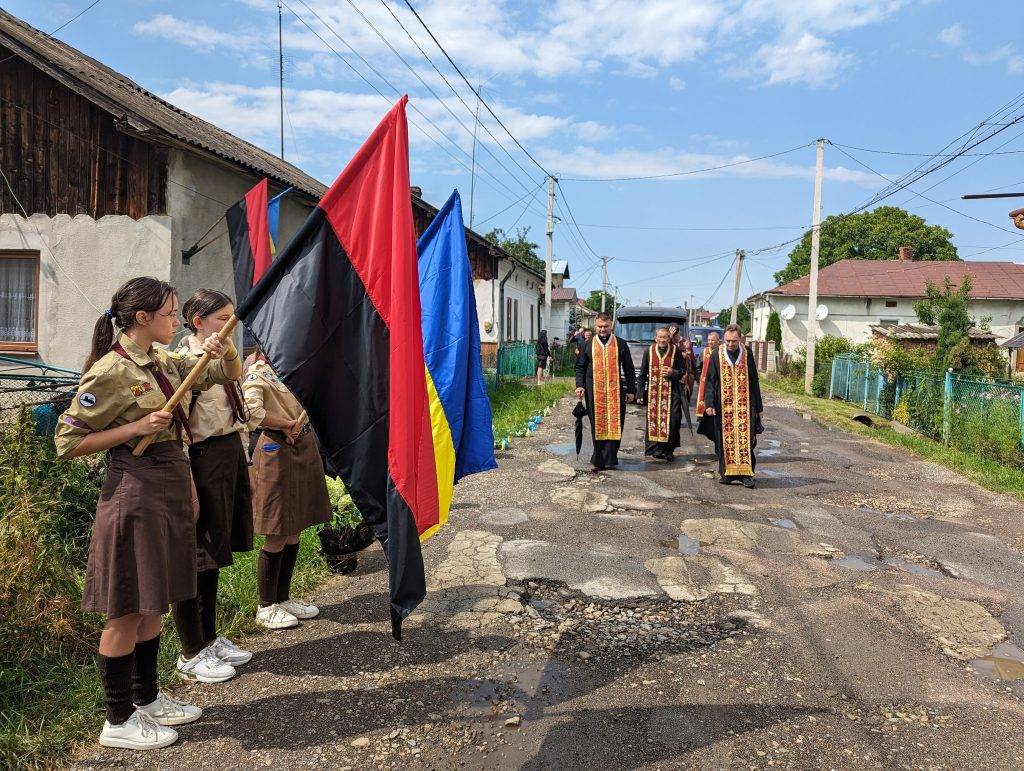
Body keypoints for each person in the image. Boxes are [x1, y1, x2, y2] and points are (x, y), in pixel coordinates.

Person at [55, 277, 242, 750]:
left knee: (156, 598)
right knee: (128, 606)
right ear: (142, 318)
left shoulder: (161, 360)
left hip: (169, 483)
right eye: (168, 314)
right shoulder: (111, 371)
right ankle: (117, 719)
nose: (176, 322)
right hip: (134, 491)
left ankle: (147, 700)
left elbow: (223, 374)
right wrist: (136, 425)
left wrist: (222, 347)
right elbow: (68, 441)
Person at [170, 290, 254, 685]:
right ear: (198, 320)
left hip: (227, 452)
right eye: (222, 318)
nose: (229, 324)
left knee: (215, 553)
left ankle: (208, 636)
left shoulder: (222, 357)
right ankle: (190, 649)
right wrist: (187, 478)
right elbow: (178, 428)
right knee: (196, 555)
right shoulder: (184, 364)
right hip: (200, 459)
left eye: (231, 316)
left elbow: (235, 389)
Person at [243, 350, 331, 630]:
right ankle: (266, 605)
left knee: (295, 525)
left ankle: (283, 597)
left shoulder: (292, 366)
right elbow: (250, 411)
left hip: (301, 445)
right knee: (278, 528)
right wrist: (284, 423)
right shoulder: (259, 372)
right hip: (275, 449)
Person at [574, 312, 636, 471]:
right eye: (600, 326)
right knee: (597, 424)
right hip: (594, 390)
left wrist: (631, 390)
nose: (602, 329)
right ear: (596, 326)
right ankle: (598, 458)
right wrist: (579, 385)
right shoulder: (588, 344)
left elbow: (629, 368)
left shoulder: (621, 344)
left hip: (616, 391)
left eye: (606, 326)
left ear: (611, 325)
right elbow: (580, 367)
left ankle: (611, 457)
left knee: (616, 423)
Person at [704, 324, 763, 488]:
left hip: (746, 405)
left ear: (740, 339)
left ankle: (746, 474)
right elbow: (710, 380)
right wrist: (709, 403)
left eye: (734, 341)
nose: (730, 344)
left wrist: (759, 408)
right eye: (728, 341)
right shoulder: (717, 354)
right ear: (724, 339)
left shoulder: (747, 353)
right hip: (724, 406)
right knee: (725, 439)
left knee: (747, 439)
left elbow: (754, 380)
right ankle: (728, 473)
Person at [636, 327, 686, 461]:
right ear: (656, 338)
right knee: (654, 420)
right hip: (653, 393)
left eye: (665, 337)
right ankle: (656, 449)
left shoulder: (675, 351)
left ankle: (669, 450)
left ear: (669, 339)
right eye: (660, 337)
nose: (662, 340)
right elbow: (642, 374)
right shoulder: (649, 351)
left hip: (672, 392)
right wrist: (639, 393)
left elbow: (683, 370)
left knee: (673, 421)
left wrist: (673, 372)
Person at [695, 331, 721, 455]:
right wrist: (700, 378)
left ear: (718, 341)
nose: (710, 342)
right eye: (709, 340)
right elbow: (698, 367)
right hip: (705, 383)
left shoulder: (721, 352)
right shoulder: (704, 352)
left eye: (713, 340)